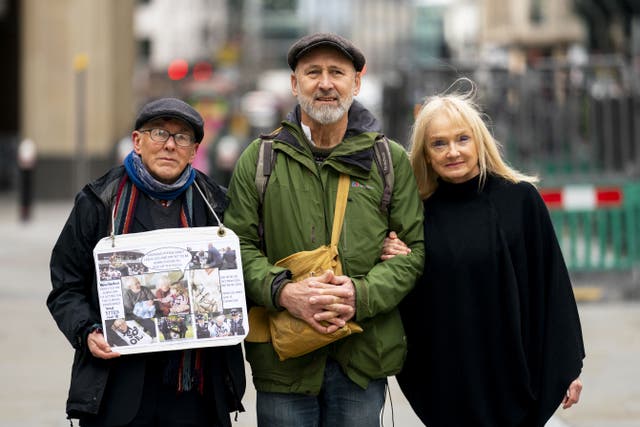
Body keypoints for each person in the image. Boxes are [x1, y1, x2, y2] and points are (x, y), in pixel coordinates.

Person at [224, 33, 424, 426]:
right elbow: (237, 247)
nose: (326, 83)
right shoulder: (260, 159)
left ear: (357, 83)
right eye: (313, 72)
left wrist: (359, 294)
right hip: (285, 364)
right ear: (295, 84)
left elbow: (413, 252)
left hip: (361, 358)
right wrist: (285, 292)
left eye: (337, 72)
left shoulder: (389, 159)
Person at [382, 80, 585, 427]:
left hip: (521, 372)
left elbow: (551, 286)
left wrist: (566, 366)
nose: (453, 152)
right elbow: (412, 300)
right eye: (439, 144)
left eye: (462, 139)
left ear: (479, 140)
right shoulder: (415, 213)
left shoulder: (520, 200)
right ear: (426, 153)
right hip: (452, 381)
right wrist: (394, 259)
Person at [47, 97, 245, 426]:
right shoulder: (98, 201)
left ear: (194, 150)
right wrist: (87, 332)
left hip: (196, 391)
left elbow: (243, 280)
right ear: (137, 141)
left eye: (181, 137)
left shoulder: (217, 206)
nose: (170, 145)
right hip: (118, 387)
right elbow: (65, 286)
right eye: (159, 133)